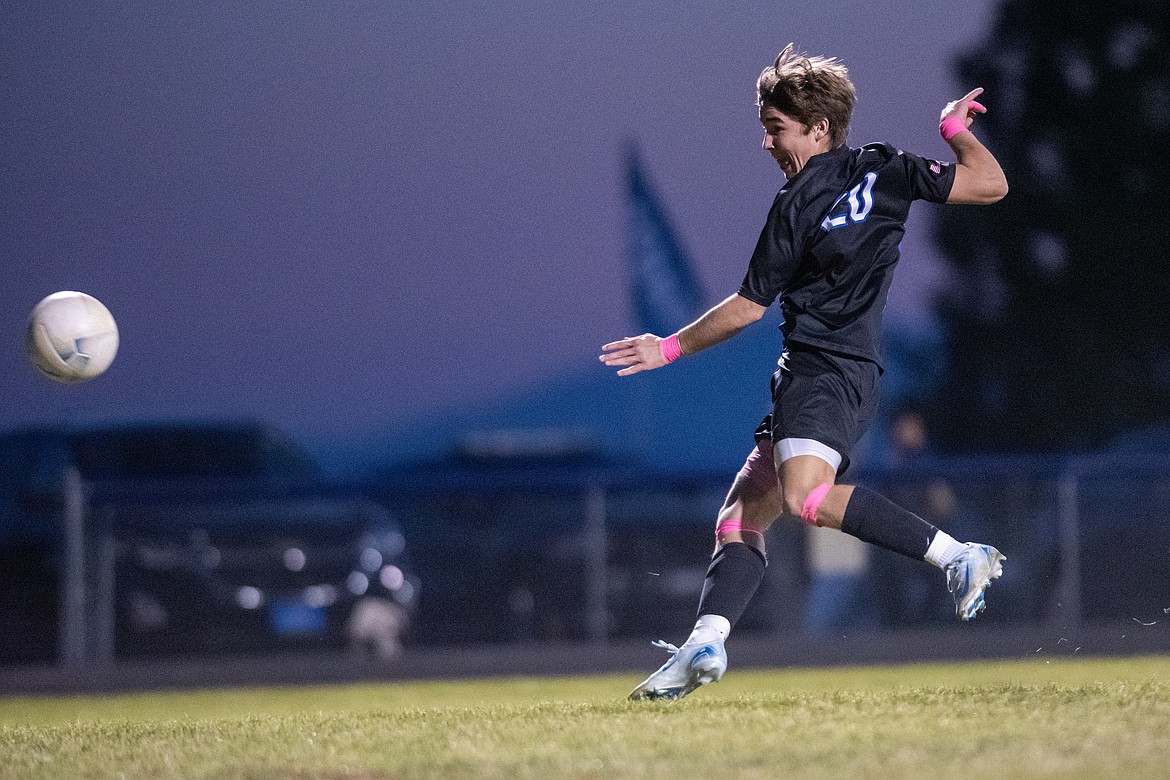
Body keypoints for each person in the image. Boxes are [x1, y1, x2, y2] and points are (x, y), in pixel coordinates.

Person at [599, 44, 1009, 701]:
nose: (765, 143)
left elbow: (744, 310)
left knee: (805, 500)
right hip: (845, 377)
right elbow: (991, 184)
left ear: (817, 128)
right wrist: (955, 131)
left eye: (775, 127)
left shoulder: (794, 206)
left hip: (819, 374)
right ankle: (705, 644)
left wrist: (667, 348)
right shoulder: (888, 167)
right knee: (741, 516)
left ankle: (957, 555)